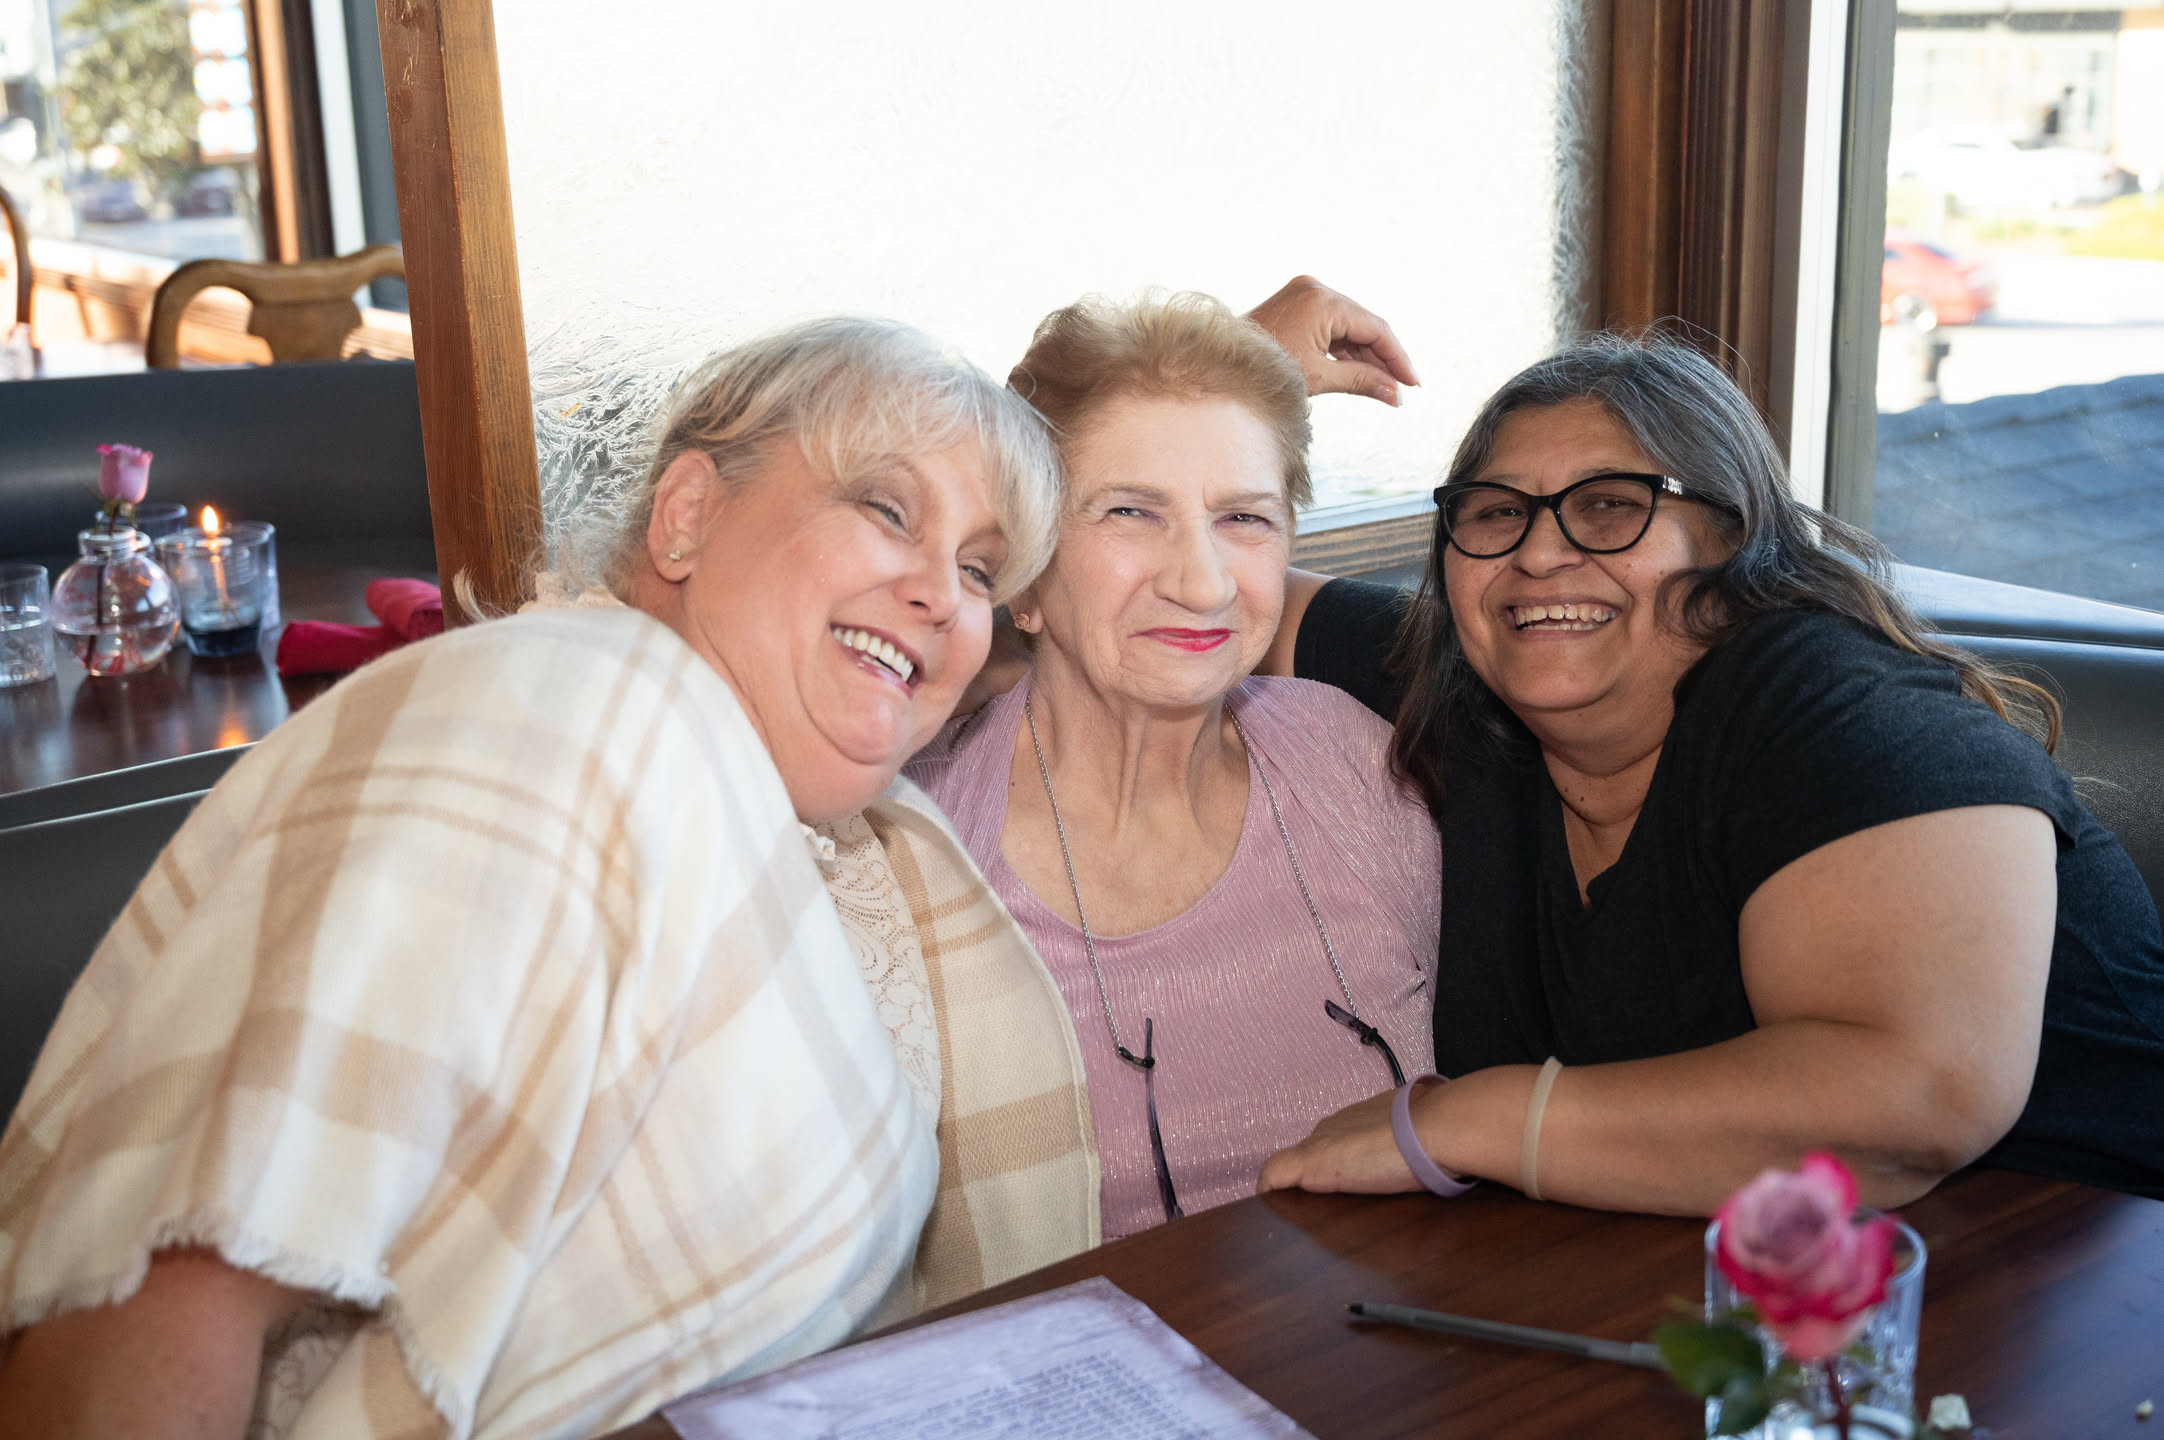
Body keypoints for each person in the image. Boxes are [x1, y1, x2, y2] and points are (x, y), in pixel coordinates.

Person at [0, 318, 1098, 1438]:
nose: (942, 595)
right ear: (686, 515)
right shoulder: (563, 725)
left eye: (978, 569)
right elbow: (146, 1303)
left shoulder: (798, 825)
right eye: (887, 510)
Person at [1258, 332, 2164, 1215]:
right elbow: (1219, 589)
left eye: (1610, 505)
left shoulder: (1837, 703)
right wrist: (1247, 364)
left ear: (1735, 549)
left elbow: (1918, 1098)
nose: (1537, 553)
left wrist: (1465, 1121)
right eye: (1495, 511)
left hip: (2092, 1262)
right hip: (1716, 1281)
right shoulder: (1471, 687)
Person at [907, 292, 1441, 1239]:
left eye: (1244, 518)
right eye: (1130, 512)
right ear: (1024, 573)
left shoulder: (1360, 769)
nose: (1202, 582)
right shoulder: (913, 863)